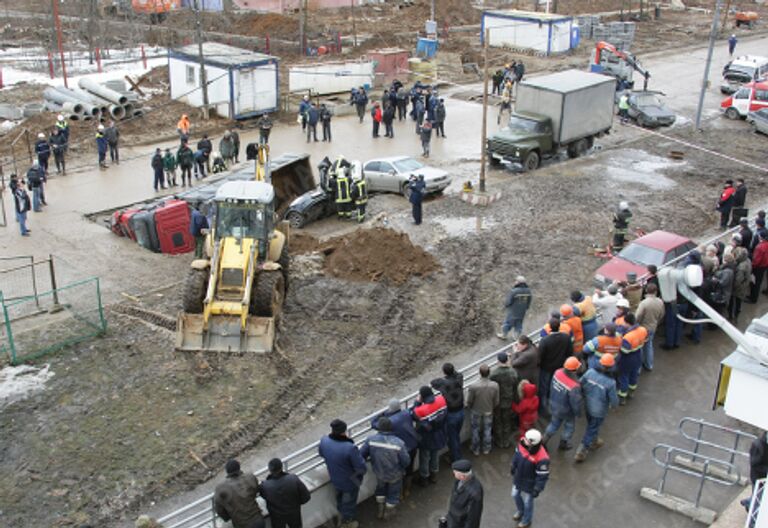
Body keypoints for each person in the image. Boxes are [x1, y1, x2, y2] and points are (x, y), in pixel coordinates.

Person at [318, 419, 367, 528]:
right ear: (344, 431)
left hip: (335, 478)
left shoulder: (324, 441)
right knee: (349, 503)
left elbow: (322, 454)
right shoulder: (350, 448)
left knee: (340, 499)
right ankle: (347, 522)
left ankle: (341, 514)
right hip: (350, 482)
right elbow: (361, 468)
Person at [360, 416, 410, 520]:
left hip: (379, 473)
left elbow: (361, 455)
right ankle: (389, 512)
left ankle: (380, 508)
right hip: (395, 474)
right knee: (393, 492)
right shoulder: (399, 443)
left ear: (378, 428)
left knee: (380, 489)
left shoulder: (370, 440)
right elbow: (406, 461)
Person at [575, 354, 619, 462]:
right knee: (592, 427)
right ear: (612, 366)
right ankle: (582, 450)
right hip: (599, 410)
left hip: (588, 406)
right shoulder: (611, 382)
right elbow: (614, 399)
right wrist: (614, 407)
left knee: (592, 424)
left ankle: (594, 440)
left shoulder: (590, 372)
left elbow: (579, 384)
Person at [371, 399, 419, 498]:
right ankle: (407, 490)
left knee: (399, 471)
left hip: (400, 449)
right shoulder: (406, 413)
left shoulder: (390, 421)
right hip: (413, 446)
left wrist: (381, 414)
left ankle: (400, 493)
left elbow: (374, 424)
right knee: (410, 468)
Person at [510, 429, 549, 528]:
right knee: (515, 494)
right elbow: (516, 456)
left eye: (527, 440)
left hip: (530, 483)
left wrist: (537, 488)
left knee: (528, 502)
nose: (524, 440)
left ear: (533, 443)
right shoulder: (522, 444)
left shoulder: (542, 458)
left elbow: (542, 476)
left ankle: (526, 520)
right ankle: (520, 511)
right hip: (519, 477)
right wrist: (513, 465)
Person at [542, 357, 583, 451]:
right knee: (569, 427)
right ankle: (563, 443)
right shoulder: (574, 386)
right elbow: (575, 403)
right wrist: (578, 413)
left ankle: (543, 442)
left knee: (554, 424)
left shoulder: (557, 372)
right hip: (567, 411)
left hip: (554, 404)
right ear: (575, 370)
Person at [411, 385, 448, 486]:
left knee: (424, 458)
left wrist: (417, 402)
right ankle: (434, 475)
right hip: (439, 434)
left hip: (426, 438)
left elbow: (413, 414)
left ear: (422, 396)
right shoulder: (441, 400)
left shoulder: (421, 410)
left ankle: (424, 478)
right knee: (435, 455)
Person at [258, 458, 310, 528]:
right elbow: (306, 497)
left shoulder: (265, 486)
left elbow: (263, 495)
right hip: (294, 514)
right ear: (281, 467)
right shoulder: (293, 479)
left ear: (270, 470)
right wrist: (295, 505)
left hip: (277, 518)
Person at [213, 459, 264, 528]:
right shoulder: (250, 477)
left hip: (242, 524)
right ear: (239, 467)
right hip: (258, 520)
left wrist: (227, 517)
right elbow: (256, 491)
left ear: (227, 471)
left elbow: (219, 509)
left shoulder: (221, 488)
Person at [537, 318, 573, 413]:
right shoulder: (566, 337)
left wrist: (539, 365)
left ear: (549, 327)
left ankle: (543, 409)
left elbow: (539, 356)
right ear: (559, 327)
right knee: (556, 387)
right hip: (560, 367)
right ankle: (554, 405)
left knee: (544, 388)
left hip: (546, 368)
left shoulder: (545, 341)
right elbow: (570, 352)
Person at [431, 363, 465, 462]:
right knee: (456, 436)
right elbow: (459, 374)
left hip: (451, 415)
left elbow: (433, 382)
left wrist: (444, 378)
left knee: (453, 439)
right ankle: (455, 455)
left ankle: (456, 459)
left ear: (444, 372)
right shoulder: (459, 378)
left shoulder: (443, 383)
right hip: (461, 411)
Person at [466, 364, 499, 456]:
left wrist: (470, 407)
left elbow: (469, 401)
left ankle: (475, 449)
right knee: (487, 429)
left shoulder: (473, 386)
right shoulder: (495, 385)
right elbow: (496, 401)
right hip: (488, 410)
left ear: (479, 373)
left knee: (475, 429)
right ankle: (486, 449)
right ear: (489, 373)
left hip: (476, 410)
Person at [617, 313, 648, 405]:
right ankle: (631, 392)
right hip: (638, 355)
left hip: (627, 359)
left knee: (624, 377)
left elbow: (624, 351)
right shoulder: (643, 329)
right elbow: (645, 340)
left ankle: (622, 397)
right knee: (634, 375)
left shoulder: (628, 337)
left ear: (627, 323)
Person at [490, 352, 519, 449]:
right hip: (508, 400)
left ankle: (499, 441)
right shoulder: (513, 372)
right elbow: (515, 387)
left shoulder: (494, 374)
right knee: (507, 421)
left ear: (498, 361)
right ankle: (506, 441)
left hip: (497, 401)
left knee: (497, 421)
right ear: (507, 360)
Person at [444, 459, 483, 528]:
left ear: (462, 476)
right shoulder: (459, 481)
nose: (453, 473)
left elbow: (473, 518)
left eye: (455, 472)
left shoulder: (475, 493)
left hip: (460, 524)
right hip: (453, 519)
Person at [636, 283, 664, 371]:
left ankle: (638, 368)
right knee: (649, 346)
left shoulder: (644, 303)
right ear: (656, 291)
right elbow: (662, 314)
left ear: (646, 291)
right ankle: (649, 365)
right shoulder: (660, 302)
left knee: (639, 347)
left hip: (643, 328)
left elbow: (638, 316)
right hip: (653, 326)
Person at [497, 275, 532, 340]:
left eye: (516, 281)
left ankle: (504, 335)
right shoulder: (528, 291)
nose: (515, 282)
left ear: (518, 282)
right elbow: (529, 301)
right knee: (519, 324)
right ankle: (516, 337)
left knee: (507, 323)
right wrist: (526, 307)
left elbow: (508, 301)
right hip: (522, 312)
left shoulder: (514, 291)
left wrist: (506, 306)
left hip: (513, 311)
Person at [740, 431, 768, 511]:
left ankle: (748, 502)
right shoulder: (758, 445)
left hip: (763, 476)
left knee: (759, 495)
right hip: (759, 477)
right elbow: (755, 464)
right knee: (759, 497)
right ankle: (751, 512)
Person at [731, 247, 751, 322]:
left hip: (739, 288)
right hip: (745, 284)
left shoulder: (741, 267)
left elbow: (738, 281)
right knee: (739, 301)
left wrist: (733, 287)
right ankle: (736, 314)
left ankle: (734, 316)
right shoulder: (748, 260)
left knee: (736, 301)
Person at [749, 233, 768, 303]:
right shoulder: (766, 244)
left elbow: (756, 260)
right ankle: (753, 297)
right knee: (758, 282)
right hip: (764, 266)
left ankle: (753, 299)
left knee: (754, 283)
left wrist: (752, 266)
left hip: (758, 267)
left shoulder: (759, 247)